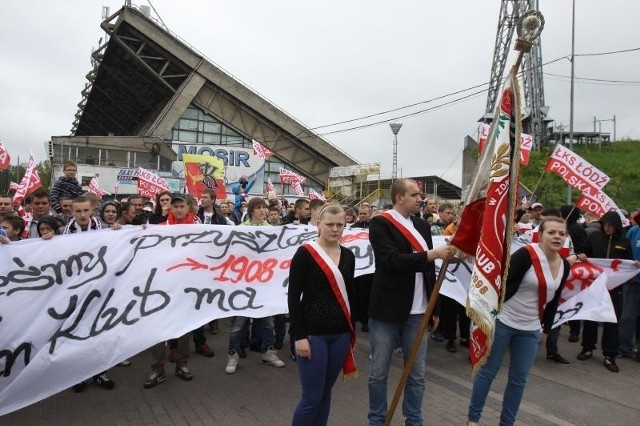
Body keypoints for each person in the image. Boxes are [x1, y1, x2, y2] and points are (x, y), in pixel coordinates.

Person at [467, 217, 572, 426]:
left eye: (561, 233)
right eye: (551, 232)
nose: (557, 236)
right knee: (488, 372)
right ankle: (473, 419)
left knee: (519, 380)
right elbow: (500, 284)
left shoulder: (565, 265)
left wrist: (546, 330)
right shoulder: (526, 255)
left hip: (531, 329)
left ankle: (507, 423)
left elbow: (553, 301)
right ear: (540, 235)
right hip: (504, 323)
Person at [367, 178, 452, 426]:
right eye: (414, 194)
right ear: (399, 198)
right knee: (378, 372)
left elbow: (429, 271)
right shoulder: (380, 224)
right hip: (387, 308)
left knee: (417, 373)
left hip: (419, 310)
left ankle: (414, 419)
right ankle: (377, 419)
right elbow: (391, 260)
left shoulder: (422, 226)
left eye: (420, 195)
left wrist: (433, 308)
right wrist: (430, 254)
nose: (420, 199)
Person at [288, 203, 357, 426]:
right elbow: (293, 297)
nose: (335, 229)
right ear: (319, 224)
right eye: (330, 224)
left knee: (326, 393)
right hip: (312, 335)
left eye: (340, 225)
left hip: (340, 334)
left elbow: (349, 294)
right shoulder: (305, 253)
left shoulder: (348, 256)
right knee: (311, 397)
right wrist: (299, 336)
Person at [225, 197, 286, 374]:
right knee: (239, 322)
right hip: (244, 283)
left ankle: (268, 351)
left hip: (264, 282)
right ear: (251, 210)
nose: (262, 211)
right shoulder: (240, 229)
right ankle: (233, 354)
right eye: (258, 208)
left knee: (266, 320)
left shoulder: (271, 230)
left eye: (264, 208)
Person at [576, 211, 634, 372]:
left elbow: (628, 261)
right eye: (605, 225)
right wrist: (581, 255)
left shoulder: (624, 241)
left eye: (611, 225)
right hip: (594, 285)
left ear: (617, 226)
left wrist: (633, 267)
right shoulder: (595, 237)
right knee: (590, 317)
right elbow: (582, 250)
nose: (607, 228)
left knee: (612, 321)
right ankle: (587, 347)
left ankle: (610, 355)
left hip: (615, 288)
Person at [620, 209, 640, 361]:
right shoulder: (633, 231)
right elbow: (623, 251)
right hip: (632, 282)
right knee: (628, 316)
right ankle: (624, 347)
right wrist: (627, 272)